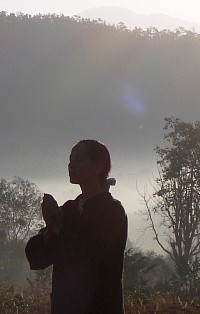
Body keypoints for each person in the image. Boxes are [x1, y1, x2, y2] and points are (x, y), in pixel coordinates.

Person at [25, 139, 128, 314]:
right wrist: (49, 230)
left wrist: (58, 227)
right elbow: (36, 258)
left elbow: (87, 258)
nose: (71, 165)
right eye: (70, 160)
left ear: (98, 166)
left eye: (79, 160)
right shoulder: (69, 209)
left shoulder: (112, 212)